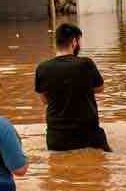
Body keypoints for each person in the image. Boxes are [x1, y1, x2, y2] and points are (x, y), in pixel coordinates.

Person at [35, 23, 111, 153]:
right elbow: (100, 88)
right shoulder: (86, 64)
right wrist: (79, 87)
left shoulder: (42, 68)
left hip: (56, 140)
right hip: (88, 138)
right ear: (74, 42)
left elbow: (45, 101)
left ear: (56, 42)